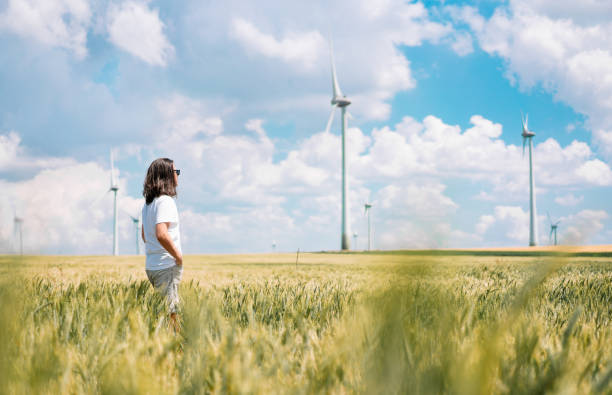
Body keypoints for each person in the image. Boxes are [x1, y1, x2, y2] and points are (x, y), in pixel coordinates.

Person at [141, 158, 183, 331]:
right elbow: (161, 233)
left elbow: (145, 235)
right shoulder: (166, 201)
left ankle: (165, 340)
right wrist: (177, 256)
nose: (177, 175)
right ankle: (176, 345)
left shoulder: (148, 204)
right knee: (173, 311)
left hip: (152, 266)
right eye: (176, 171)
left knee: (164, 310)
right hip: (166, 266)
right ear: (167, 175)